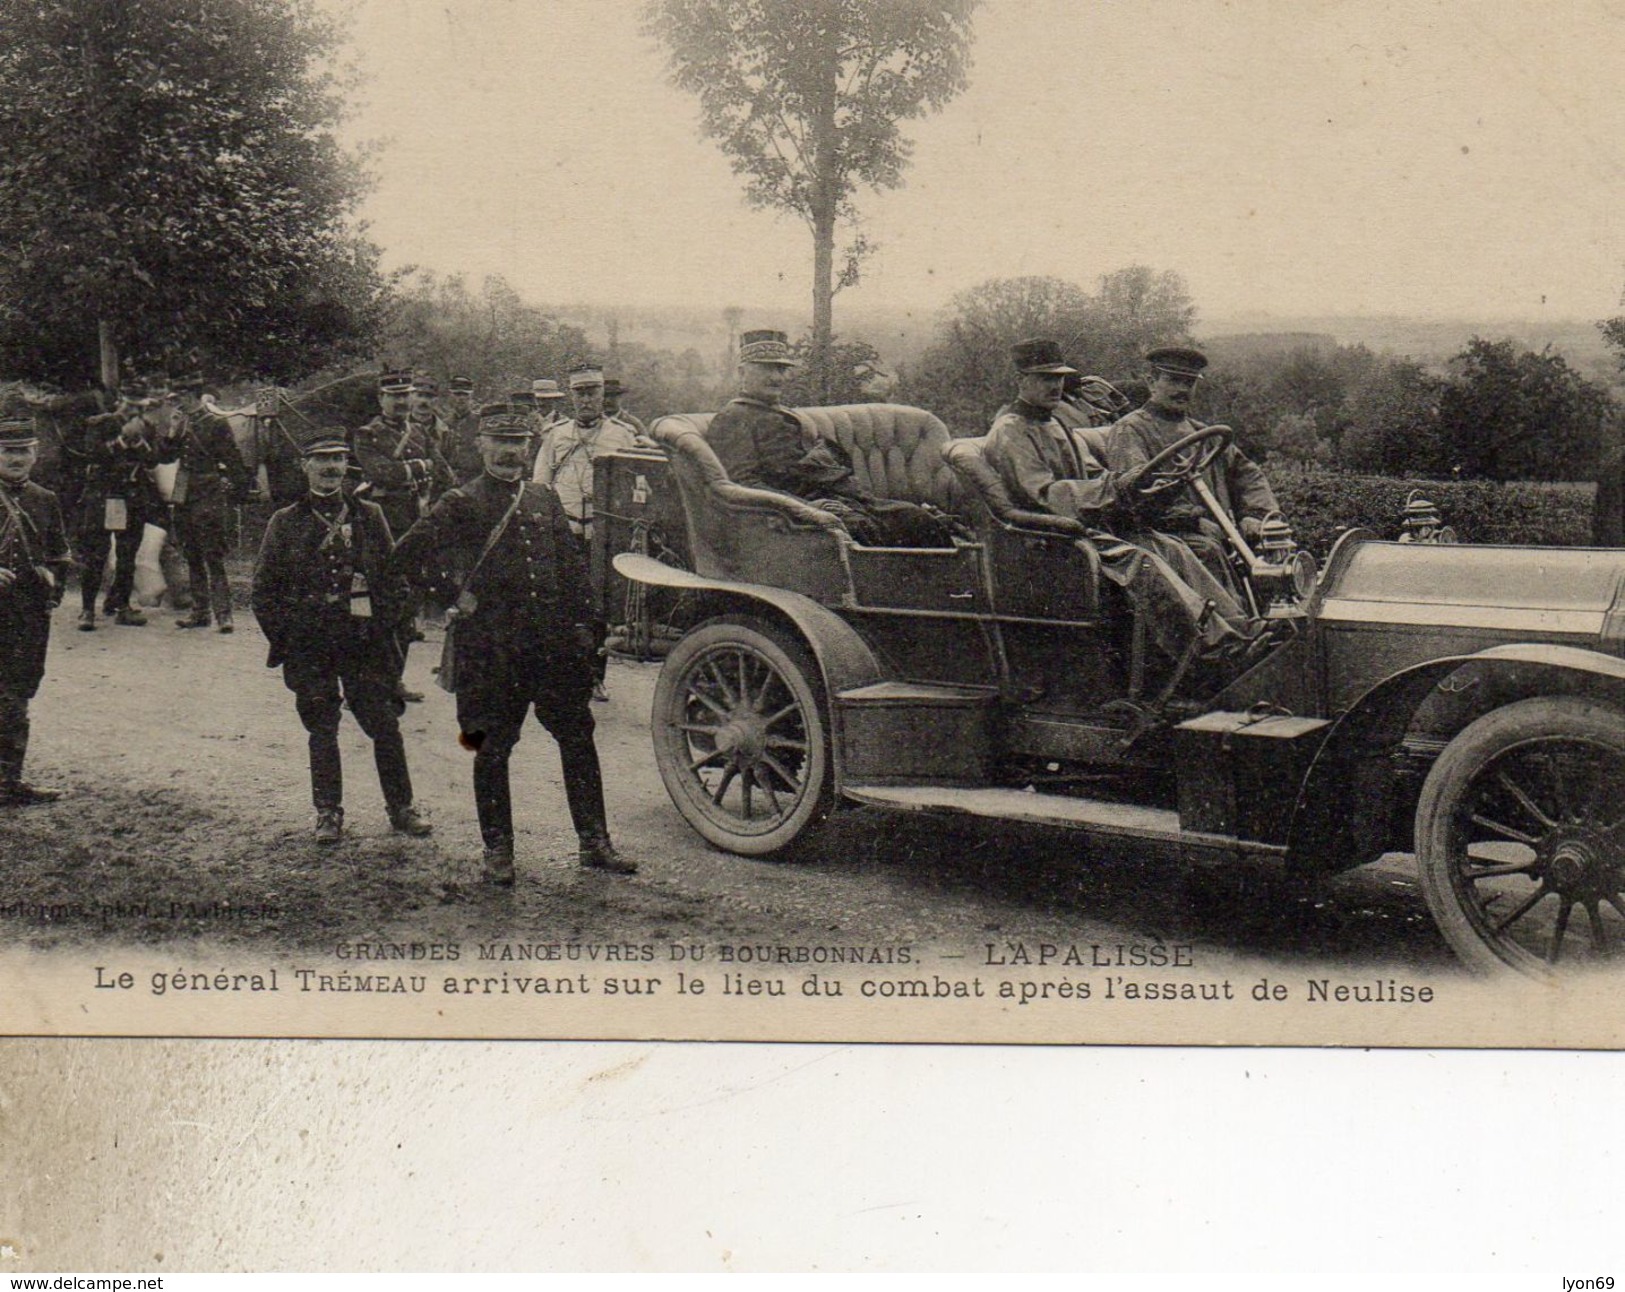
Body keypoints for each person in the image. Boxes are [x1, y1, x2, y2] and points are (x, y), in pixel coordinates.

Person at [391, 406, 636, 884]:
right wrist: (450, 593)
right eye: (499, 442)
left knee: (577, 739)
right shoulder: (461, 502)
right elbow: (405, 555)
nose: (510, 452)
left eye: (519, 442)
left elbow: (571, 571)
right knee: (491, 748)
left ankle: (594, 842)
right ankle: (498, 850)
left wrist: (585, 630)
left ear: (530, 447)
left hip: (552, 648)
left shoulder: (542, 498)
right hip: (492, 652)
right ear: (480, 446)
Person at [985, 338, 1254, 665]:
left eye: (1058, 378)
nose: (1054, 385)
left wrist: (1134, 485)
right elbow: (1044, 494)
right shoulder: (1010, 431)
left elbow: (1095, 473)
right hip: (1048, 539)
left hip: (1084, 527)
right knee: (1140, 561)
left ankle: (1242, 631)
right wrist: (1116, 488)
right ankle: (1211, 649)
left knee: (1172, 547)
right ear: (1020, 380)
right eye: (1044, 378)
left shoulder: (1054, 423)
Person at [251, 427, 430, 844]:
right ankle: (328, 813)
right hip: (310, 644)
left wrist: (389, 635)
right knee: (322, 727)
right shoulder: (285, 521)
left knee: (383, 724)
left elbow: (393, 579)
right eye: (321, 459)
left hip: (363, 640)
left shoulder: (369, 515)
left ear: (346, 467)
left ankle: (401, 808)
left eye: (338, 459)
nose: (331, 467)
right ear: (305, 467)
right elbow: (263, 591)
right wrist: (287, 639)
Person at [705, 329, 954, 548]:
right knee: (862, 530)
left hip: (837, 499)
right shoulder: (733, 418)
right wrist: (807, 507)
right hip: (793, 515)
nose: (776, 378)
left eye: (780, 369)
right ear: (741, 372)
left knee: (916, 519)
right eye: (765, 368)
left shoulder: (783, 413)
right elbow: (744, 483)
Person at [1105, 347, 1283, 584]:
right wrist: (1192, 520)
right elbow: (1133, 495)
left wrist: (1254, 515)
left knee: (1274, 542)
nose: (1182, 390)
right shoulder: (1131, 430)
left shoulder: (1203, 434)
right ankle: (1233, 620)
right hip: (1159, 532)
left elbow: (1247, 475)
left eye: (1189, 383)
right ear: (1151, 381)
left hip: (1215, 530)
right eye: (1174, 381)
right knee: (1208, 550)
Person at [531, 363, 651, 702]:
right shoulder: (555, 435)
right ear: (571, 396)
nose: (586, 399)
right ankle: (555, 676)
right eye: (580, 393)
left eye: (592, 392)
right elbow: (539, 483)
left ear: (602, 394)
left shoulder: (622, 435)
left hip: (603, 532)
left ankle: (594, 677)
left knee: (597, 605)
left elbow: (636, 486)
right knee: (558, 601)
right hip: (563, 528)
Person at [0, 402, 72, 806]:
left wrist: (52, 577)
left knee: (17, 695)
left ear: (36, 453)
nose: (16, 458)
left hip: (27, 616)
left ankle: (8, 782)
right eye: (8, 451)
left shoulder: (45, 499)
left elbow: (61, 554)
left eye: (23, 450)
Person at [158, 372, 254, 633]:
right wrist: (171, 431)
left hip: (209, 492)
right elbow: (165, 458)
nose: (177, 404)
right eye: (175, 400)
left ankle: (224, 615)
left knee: (212, 555)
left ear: (193, 396)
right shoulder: (180, 424)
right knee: (191, 554)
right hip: (183, 493)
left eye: (180, 399)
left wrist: (240, 489)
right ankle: (200, 612)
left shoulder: (215, 424)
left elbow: (232, 458)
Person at [75, 383, 163, 630]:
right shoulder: (99, 424)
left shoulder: (147, 428)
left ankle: (122, 605)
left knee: (127, 556)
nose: (133, 410)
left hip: (132, 497)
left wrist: (138, 442)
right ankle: (87, 609)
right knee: (95, 555)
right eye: (129, 404)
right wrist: (123, 440)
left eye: (139, 407)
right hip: (103, 497)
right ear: (120, 402)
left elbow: (154, 459)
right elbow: (92, 453)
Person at [444, 375, 483, 480]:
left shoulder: (480, 422)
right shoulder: (444, 424)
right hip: (448, 479)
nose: (461, 398)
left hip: (475, 479)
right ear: (450, 396)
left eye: (465, 394)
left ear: (471, 397)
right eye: (457, 394)